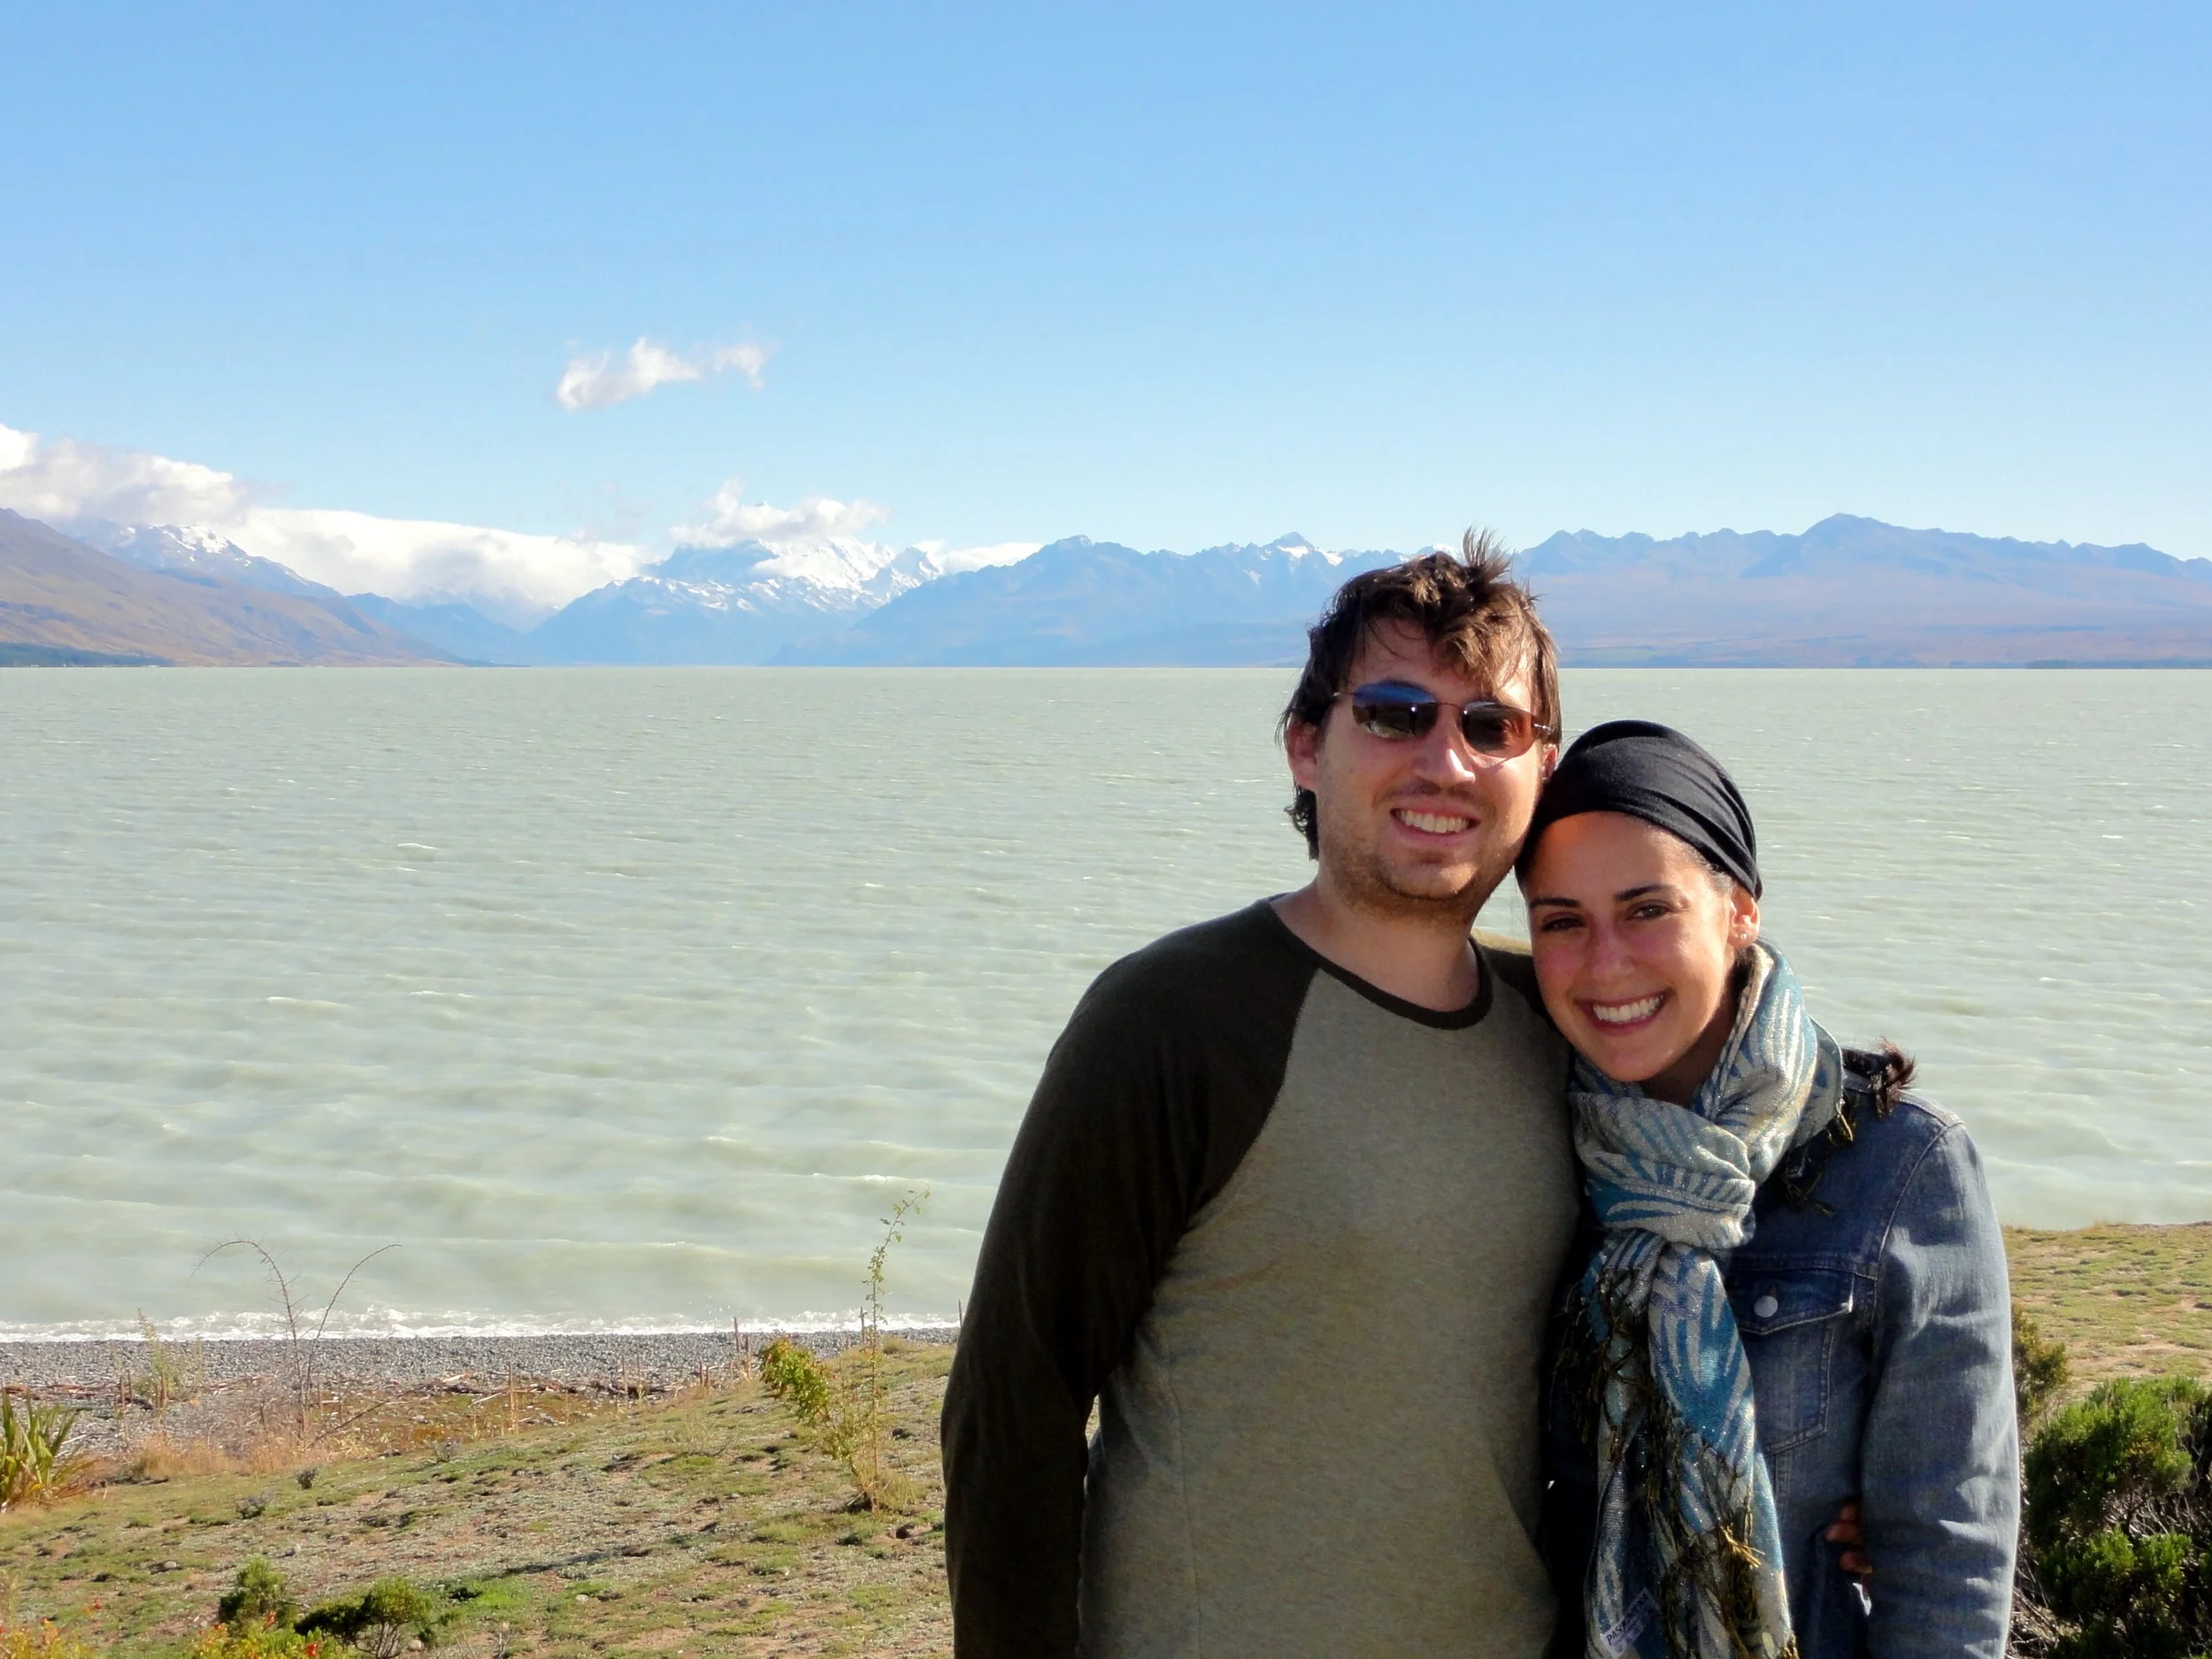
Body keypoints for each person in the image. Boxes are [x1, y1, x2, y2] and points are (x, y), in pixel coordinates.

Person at [941, 534, 1583, 1656]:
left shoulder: (1564, 1027)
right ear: (1304, 744)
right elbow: (1014, 1411)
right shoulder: (1174, 1019)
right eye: (1394, 713)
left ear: (1541, 764)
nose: (1447, 762)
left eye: (1492, 727)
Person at [1520, 721, 2018, 1658]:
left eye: (1646, 909)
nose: (1605, 963)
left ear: (1739, 909)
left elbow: (1947, 1561)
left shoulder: (1901, 1167)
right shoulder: (1522, 1140)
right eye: (1561, 921)